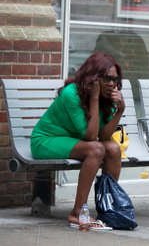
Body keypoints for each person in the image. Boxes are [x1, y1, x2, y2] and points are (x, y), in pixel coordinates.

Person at [31, 52, 125, 229]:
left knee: (112, 148)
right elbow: (90, 137)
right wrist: (95, 99)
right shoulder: (71, 94)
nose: (112, 83)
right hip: (47, 140)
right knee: (96, 150)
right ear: (93, 78)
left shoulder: (108, 96)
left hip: (75, 140)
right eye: (107, 78)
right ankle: (77, 213)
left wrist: (119, 111)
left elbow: (104, 137)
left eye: (115, 79)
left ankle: (107, 210)